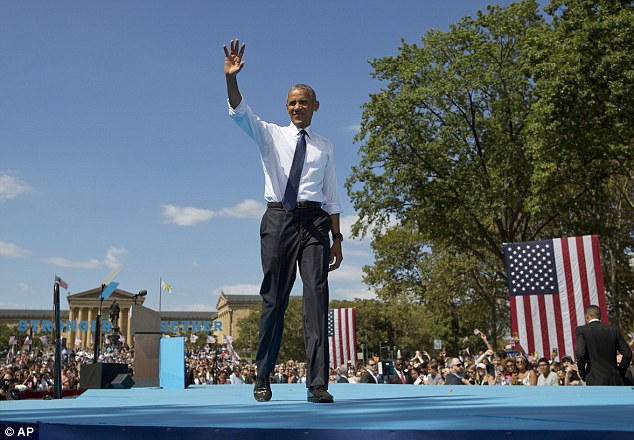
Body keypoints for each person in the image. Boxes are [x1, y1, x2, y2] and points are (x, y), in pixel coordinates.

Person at [224, 39, 343, 404]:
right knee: (274, 299)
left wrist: (337, 238)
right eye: (291, 102)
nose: (297, 107)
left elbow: (332, 194)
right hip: (279, 219)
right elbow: (239, 111)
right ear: (286, 107)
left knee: (316, 299)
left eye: (303, 102)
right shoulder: (269, 135)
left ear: (315, 107)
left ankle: (317, 384)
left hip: (315, 224)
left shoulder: (325, 146)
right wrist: (231, 79)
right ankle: (262, 378)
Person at [575, 305, 632, 386]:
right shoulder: (614, 330)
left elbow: (580, 354)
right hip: (615, 379)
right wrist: (620, 371)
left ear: (587, 316)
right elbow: (628, 354)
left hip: (594, 380)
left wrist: (583, 374)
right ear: (600, 316)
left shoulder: (582, 330)